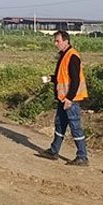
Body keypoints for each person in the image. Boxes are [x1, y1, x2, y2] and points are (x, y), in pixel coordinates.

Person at [38, 30, 90, 166]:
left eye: (58, 41)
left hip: (70, 99)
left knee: (75, 127)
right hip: (63, 98)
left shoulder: (73, 56)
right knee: (60, 125)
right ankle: (54, 151)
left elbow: (75, 81)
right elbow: (62, 77)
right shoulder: (64, 55)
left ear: (66, 41)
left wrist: (69, 99)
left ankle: (82, 156)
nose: (56, 44)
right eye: (55, 41)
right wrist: (51, 78)